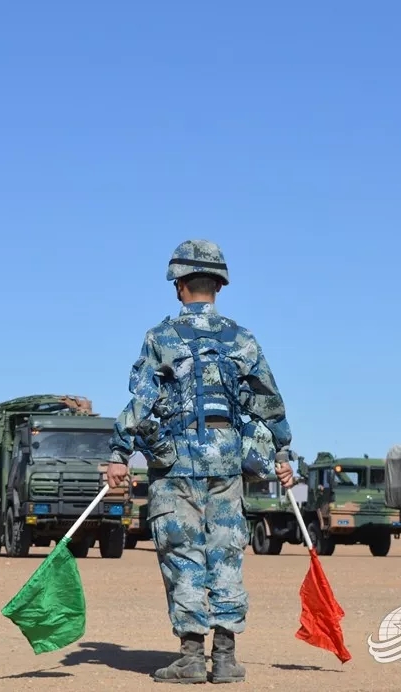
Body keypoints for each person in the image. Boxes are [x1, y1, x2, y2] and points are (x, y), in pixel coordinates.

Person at [106, 239, 294, 685]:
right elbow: (269, 404)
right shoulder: (242, 339)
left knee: (183, 555)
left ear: (179, 285)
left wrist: (118, 452)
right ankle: (225, 659)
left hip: (175, 469)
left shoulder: (162, 338)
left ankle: (191, 658)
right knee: (226, 554)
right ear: (219, 286)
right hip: (229, 467)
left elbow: (143, 400)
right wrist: (282, 452)